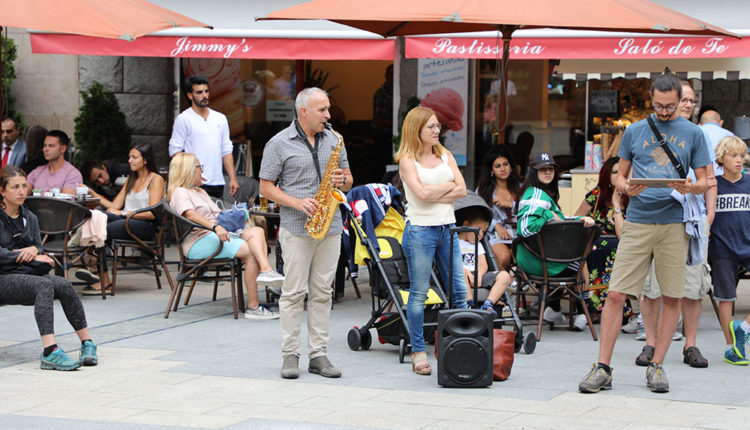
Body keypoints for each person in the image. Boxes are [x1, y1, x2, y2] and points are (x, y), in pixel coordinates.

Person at [578, 71, 711, 394]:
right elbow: (617, 178)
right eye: (659, 106)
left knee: (671, 295)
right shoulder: (636, 131)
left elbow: (707, 180)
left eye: (670, 107)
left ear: (681, 101)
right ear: (650, 100)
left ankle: (657, 366)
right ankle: (603, 368)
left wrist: (692, 186)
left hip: (674, 223)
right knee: (615, 294)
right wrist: (627, 187)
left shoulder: (693, 133)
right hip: (638, 221)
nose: (664, 112)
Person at [260, 87, 352, 380]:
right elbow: (266, 187)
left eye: (328, 109)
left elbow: (348, 179)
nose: (328, 114)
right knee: (294, 292)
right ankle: (290, 354)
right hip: (298, 227)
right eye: (322, 110)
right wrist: (297, 202)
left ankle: (318, 355)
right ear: (303, 112)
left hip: (331, 226)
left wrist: (343, 180)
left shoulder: (335, 139)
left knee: (323, 292)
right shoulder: (278, 143)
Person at [635, 80, 715, 369]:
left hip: (690, 219)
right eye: (685, 100)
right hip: (655, 217)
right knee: (652, 285)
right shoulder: (649, 133)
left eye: (692, 101)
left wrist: (709, 214)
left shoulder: (695, 135)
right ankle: (651, 341)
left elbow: (709, 179)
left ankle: (690, 343)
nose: (688, 105)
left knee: (692, 285)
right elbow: (637, 170)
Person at [0, 166, 98, 371]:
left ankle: (87, 343)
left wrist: (35, 250)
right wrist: (21, 254)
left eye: (24, 186)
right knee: (44, 285)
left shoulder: (30, 218)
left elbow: (39, 248)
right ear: (2, 191)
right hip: (4, 277)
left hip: (24, 274)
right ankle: (50, 351)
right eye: (15, 187)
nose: (21, 192)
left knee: (63, 284)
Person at [396, 106, 468, 376]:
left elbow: (462, 189)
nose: (437, 131)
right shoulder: (407, 159)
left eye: (438, 126)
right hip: (420, 231)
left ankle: (464, 344)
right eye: (431, 127)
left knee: (460, 291)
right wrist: (446, 188)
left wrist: (434, 191)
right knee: (419, 294)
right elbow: (421, 196)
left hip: (447, 228)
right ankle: (418, 351)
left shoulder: (445, 154)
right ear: (416, 130)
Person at [168, 153, 284, 319]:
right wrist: (216, 227)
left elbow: (216, 214)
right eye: (199, 167)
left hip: (216, 235)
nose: (202, 171)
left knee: (257, 231)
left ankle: (267, 271)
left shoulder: (199, 191)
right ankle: (253, 307)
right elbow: (190, 215)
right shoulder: (180, 192)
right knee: (250, 252)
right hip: (199, 241)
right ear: (188, 170)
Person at [516, 152, 595, 330]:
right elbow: (525, 229)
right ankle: (583, 312)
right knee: (581, 263)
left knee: (576, 258)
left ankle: (554, 308)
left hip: (539, 256)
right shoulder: (535, 197)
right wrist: (547, 214)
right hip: (534, 259)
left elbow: (557, 219)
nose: (547, 172)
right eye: (542, 169)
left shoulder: (541, 193)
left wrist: (577, 219)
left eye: (550, 168)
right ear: (533, 172)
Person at [79, 143, 166, 295]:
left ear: (145, 160)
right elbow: (114, 205)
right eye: (129, 157)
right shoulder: (131, 179)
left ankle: (98, 271)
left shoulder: (155, 179)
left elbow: (152, 213)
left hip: (145, 225)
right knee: (95, 217)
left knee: (102, 228)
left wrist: (125, 213)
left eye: (134, 157)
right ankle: (94, 266)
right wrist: (93, 194)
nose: (130, 161)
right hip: (127, 221)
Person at [706, 136, 750, 365]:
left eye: (742, 155)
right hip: (722, 247)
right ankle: (731, 347)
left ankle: (743, 328)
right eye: (733, 155)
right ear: (721, 158)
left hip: (748, 243)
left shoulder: (749, 182)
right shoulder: (714, 183)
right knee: (726, 298)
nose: (739, 160)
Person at [573, 157, 633, 324]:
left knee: (611, 248)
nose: (619, 176)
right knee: (591, 248)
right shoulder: (597, 194)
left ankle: (608, 308)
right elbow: (577, 217)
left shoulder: (631, 196)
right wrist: (585, 223)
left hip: (621, 241)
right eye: (615, 172)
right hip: (594, 239)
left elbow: (622, 235)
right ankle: (590, 308)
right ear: (607, 175)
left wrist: (617, 205)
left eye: (623, 173)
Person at [168, 74, 239, 199]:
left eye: (206, 91)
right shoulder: (183, 119)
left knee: (215, 216)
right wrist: (191, 172)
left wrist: (233, 178)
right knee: (195, 217)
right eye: (199, 92)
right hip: (193, 182)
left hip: (217, 181)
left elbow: (226, 151)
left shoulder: (220, 118)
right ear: (190, 95)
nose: (204, 95)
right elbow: (175, 151)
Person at [455, 205, 512, 313]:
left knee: (504, 276)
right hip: (462, 275)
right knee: (460, 271)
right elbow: (453, 263)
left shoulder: (478, 244)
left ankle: (488, 303)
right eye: (478, 230)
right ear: (466, 225)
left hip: (478, 274)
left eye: (483, 231)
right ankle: (468, 304)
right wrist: (468, 274)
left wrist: (479, 275)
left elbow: (483, 263)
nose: (481, 234)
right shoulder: (454, 242)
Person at [476, 145, 521, 270]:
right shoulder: (484, 190)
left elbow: (529, 211)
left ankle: (519, 285)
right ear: (491, 170)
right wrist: (495, 225)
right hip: (495, 235)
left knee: (525, 257)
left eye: (505, 164)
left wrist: (511, 204)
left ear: (511, 167)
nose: (503, 169)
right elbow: (477, 215)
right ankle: (505, 285)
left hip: (519, 234)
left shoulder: (520, 188)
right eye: (498, 166)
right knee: (504, 257)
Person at [26, 130, 82, 195]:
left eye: (51, 146)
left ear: (63, 149)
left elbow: (66, 203)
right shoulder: (38, 171)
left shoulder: (72, 174)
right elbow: (21, 193)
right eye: (45, 145)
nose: (46, 149)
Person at [699, 108, 735, 176]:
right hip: (723, 177)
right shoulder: (729, 135)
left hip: (698, 178)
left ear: (699, 124)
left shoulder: (694, 132)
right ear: (721, 122)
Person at [373, 64, 394, 179]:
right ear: (386, 76)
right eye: (391, 74)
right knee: (381, 168)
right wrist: (394, 125)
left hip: (392, 138)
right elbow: (378, 120)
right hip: (383, 138)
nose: (393, 77)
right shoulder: (381, 94)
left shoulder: (396, 92)